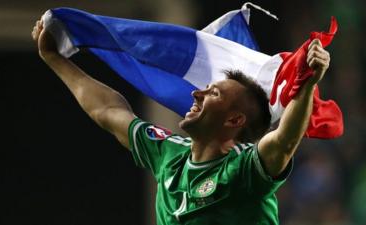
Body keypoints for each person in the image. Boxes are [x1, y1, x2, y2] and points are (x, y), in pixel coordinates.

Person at [31, 14, 330, 225]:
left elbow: (284, 140)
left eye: (213, 93)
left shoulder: (244, 172)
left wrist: (307, 84)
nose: (197, 93)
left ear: (235, 120)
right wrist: (56, 60)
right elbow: (108, 112)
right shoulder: (168, 153)